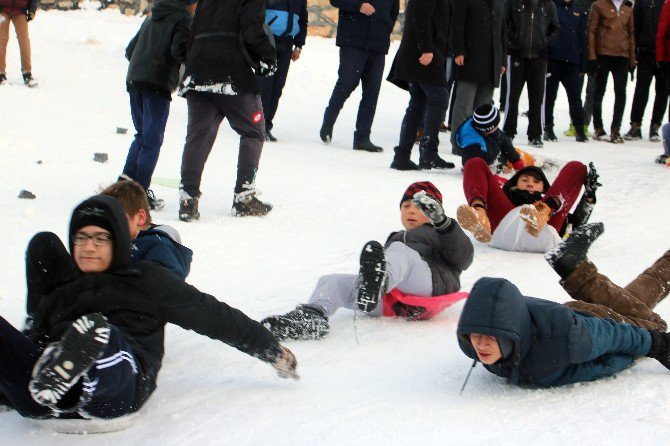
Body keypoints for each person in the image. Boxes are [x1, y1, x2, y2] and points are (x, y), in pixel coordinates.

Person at [0, 195, 298, 420]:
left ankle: (80, 364)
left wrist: (271, 349)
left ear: (118, 242)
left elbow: (214, 316)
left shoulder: (145, 279)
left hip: (116, 388)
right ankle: (51, 372)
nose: (88, 247)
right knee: (33, 346)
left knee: (103, 339)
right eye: (81, 238)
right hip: (41, 396)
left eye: (100, 238)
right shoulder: (61, 290)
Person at [457, 223, 670, 388]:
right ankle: (574, 271)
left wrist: (655, 344)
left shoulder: (566, 342)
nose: (481, 345)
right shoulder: (475, 343)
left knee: (654, 325)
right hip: (567, 318)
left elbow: (612, 337)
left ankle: (576, 271)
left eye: (490, 337)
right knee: (634, 303)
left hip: (584, 326)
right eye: (476, 335)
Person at [260, 181, 474, 340]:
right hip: (397, 303)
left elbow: (463, 258)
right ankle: (311, 316)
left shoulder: (442, 233)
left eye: (418, 206)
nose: (410, 210)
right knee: (332, 281)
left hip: (432, 287)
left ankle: (377, 284)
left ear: (434, 211)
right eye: (405, 205)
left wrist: (444, 224)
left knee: (399, 252)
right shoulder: (396, 237)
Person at [178, 0, 277, 221]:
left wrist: (190, 59)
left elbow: (192, 27)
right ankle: (244, 197)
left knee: (198, 135)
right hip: (231, 71)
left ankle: (188, 199)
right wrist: (267, 57)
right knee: (253, 131)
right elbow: (252, 25)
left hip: (198, 70)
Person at [122, 0, 196, 211]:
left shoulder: (152, 16)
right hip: (157, 83)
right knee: (152, 140)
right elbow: (179, 51)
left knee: (142, 134)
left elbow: (130, 50)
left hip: (135, 79)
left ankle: (127, 180)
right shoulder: (184, 19)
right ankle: (140, 193)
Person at [456, 159, 598, 253]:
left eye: (536, 181)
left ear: (544, 188)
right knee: (475, 162)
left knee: (577, 167)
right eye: (524, 180)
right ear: (514, 183)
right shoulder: (507, 199)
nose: (530, 183)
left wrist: (589, 197)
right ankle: (479, 214)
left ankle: (542, 213)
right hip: (505, 226)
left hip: (545, 231)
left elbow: (576, 224)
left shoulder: (550, 198)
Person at [319, 0, 399, 152]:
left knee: (372, 91)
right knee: (346, 83)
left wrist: (385, 27)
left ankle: (362, 137)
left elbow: (393, 10)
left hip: (378, 44)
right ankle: (328, 121)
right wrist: (358, 6)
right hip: (353, 40)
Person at [387, 0, 454, 170]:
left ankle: (402, 155)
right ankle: (428, 153)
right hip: (424, 55)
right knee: (438, 99)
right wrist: (426, 48)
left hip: (425, 53)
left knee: (418, 104)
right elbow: (420, 16)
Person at [100, 179, 193, 280]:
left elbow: (170, 287)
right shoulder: (117, 241)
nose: (109, 226)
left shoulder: (158, 246)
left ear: (140, 218)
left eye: (116, 219)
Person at [450, 0, 507, 155]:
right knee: (464, 105)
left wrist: (502, 60)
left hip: (491, 63)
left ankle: (480, 144)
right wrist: (459, 50)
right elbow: (457, 25)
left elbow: (502, 32)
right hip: (470, 59)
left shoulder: (500, 3)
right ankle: (459, 143)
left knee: (484, 108)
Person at [502, 0, 561, 148]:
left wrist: (545, 42)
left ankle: (535, 134)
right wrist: (513, 41)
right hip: (517, 55)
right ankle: (508, 132)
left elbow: (556, 28)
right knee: (512, 96)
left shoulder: (548, 4)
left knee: (537, 97)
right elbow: (505, 23)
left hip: (539, 57)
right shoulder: (513, 3)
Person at [258, 0, 308, 142]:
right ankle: (258, 125)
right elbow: (253, 11)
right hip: (267, 39)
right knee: (264, 85)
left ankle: (266, 125)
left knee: (277, 86)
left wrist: (299, 45)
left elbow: (303, 19)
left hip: (287, 43)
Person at [587, 0, 636, 143]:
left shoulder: (628, 8)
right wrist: (591, 56)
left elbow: (631, 34)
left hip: (622, 55)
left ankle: (616, 129)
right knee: (599, 91)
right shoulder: (598, 5)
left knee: (621, 92)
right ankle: (598, 128)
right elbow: (591, 31)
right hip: (603, 53)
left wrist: (632, 60)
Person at [543, 0, 589, 143]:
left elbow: (582, 37)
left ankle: (579, 129)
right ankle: (548, 128)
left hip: (572, 60)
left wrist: (583, 62)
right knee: (550, 96)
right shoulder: (552, 7)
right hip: (553, 59)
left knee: (575, 97)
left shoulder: (577, 10)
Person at [624, 0, 667, 142]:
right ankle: (635, 125)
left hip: (665, 55)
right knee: (641, 91)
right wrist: (633, 53)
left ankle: (655, 127)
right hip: (645, 52)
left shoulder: (666, 3)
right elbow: (634, 28)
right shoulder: (642, 1)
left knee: (662, 92)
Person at [454, 104, 525, 170]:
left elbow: (504, 141)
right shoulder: (472, 145)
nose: (497, 127)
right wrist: (497, 177)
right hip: (486, 168)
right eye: (496, 125)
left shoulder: (489, 129)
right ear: (487, 129)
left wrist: (517, 161)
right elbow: (472, 169)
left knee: (522, 157)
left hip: (496, 158)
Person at [0, 0, 38, 86]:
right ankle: (0, 74)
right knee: (1, 39)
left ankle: (27, 73)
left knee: (23, 40)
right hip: (3, 10)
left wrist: (32, 10)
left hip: (20, 11)